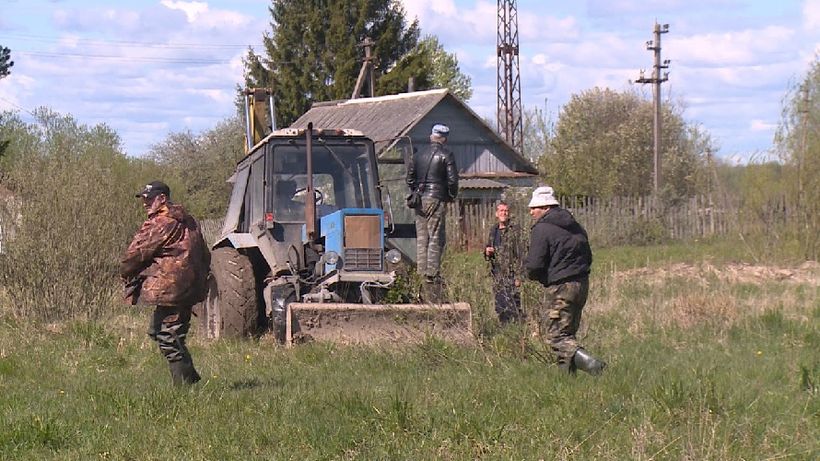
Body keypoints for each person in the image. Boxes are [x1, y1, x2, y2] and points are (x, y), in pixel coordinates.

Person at [120, 180, 211, 386]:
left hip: (172, 287)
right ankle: (190, 379)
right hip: (190, 285)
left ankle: (187, 386)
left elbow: (136, 253)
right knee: (159, 331)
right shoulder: (190, 221)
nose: (145, 203)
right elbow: (205, 253)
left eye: (149, 199)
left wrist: (125, 273)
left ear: (162, 199)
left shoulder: (161, 222)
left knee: (168, 336)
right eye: (144, 199)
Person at [523, 186, 606, 375]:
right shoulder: (574, 225)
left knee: (556, 337)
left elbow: (534, 265)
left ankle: (592, 365)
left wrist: (540, 277)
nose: (531, 212)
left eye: (534, 208)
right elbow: (588, 255)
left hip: (560, 287)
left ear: (545, 207)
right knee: (568, 335)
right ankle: (566, 381)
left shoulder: (542, 228)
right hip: (581, 284)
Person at [406, 123, 459, 299]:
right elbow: (452, 180)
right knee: (435, 236)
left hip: (420, 199)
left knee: (422, 237)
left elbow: (409, 178)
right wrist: (451, 195)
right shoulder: (446, 154)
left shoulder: (418, 154)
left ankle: (421, 271)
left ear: (431, 137)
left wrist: (416, 191)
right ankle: (432, 273)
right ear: (444, 138)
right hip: (436, 198)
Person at [484, 201, 524, 323]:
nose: (504, 213)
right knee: (500, 305)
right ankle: (504, 330)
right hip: (497, 274)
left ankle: (517, 330)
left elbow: (521, 253)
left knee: (513, 304)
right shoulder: (493, 230)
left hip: (511, 273)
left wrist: (519, 276)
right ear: (497, 213)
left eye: (506, 211)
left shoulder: (515, 230)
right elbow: (488, 248)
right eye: (501, 211)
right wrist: (487, 252)